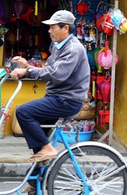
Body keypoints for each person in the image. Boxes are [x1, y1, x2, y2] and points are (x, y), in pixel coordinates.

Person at [10, 10, 90, 165]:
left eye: (53, 27)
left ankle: (47, 149)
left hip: (66, 100)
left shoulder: (73, 49)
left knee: (23, 112)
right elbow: (49, 68)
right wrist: (28, 66)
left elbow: (56, 74)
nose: (49, 31)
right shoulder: (57, 46)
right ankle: (37, 182)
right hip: (57, 98)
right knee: (38, 138)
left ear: (65, 28)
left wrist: (27, 71)